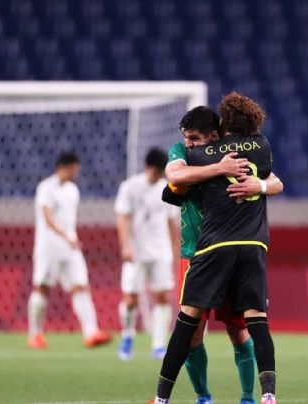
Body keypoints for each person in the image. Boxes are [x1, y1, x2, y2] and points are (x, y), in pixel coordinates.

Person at [152, 93, 279, 404]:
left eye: (194, 138)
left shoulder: (229, 150)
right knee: (193, 333)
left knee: (239, 330)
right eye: (186, 138)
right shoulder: (183, 152)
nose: (189, 143)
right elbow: (174, 176)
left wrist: (258, 185)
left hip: (222, 246)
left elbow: (275, 181)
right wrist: (219, 169)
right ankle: (204, 396)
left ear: (213, 135)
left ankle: (249, 397)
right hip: (194, 251)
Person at [27, 152, 112, 349]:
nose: (76, 173)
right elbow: (47, 217)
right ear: (63, 167)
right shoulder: (46, 188)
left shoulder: (73, 190)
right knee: (42, 289)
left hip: (70, 248)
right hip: (48, 248)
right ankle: (35, 334)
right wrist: (66, 236)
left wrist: (70, 239)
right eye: (74, 169)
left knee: (81, 286)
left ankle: (91, 333)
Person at [115, 148, 180, 360]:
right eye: (155, 171)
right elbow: (123, 217)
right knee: (131, 299)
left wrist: (174, 252)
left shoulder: (167, 189)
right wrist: (125, 245)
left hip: (160, 251)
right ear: (146, 167)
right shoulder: (130, 187)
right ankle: (127, 335)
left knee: (162, 297)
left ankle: (159, 344)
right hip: (136, 251)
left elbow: (172, 224)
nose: (157, 176)